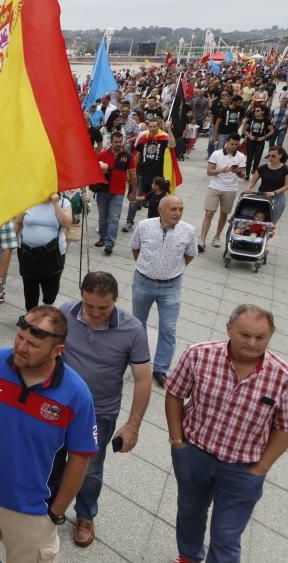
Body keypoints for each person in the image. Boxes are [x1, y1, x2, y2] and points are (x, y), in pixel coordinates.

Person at [0, 306, 97, 563]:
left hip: (34, 509)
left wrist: (57, 511)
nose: (21, 347)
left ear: (57, 351)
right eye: (20, 337)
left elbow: (80, 457)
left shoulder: (77, 395)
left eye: (33, 344)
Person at [165, 305, 288, 563]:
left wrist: (262, 467)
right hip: (194, 455)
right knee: (189, 513)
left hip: (243, 468)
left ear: (272, 334)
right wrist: (177, 442)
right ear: (229, 328)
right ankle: (188, 556)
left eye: (260, 337)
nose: (252, 343)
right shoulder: (199, 355)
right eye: (244, 335)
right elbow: (175, 393)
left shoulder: (282, 376)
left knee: (226, 536)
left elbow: (284, 427)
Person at [59, 272, 152, 547]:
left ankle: (85, 515)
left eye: (104, 307)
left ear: (116, 299)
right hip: (58, 407)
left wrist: (133, 425)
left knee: (90, 469)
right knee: (51, 460)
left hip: (99, 413)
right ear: (81, 295)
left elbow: (142, 378)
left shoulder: (133, 329)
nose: (96, 313)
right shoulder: (64, 313)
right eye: (90, 306)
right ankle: (51, 505)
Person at [130, 195, 198, 388]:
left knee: (168, 328)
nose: (178, 213)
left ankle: (160, 369)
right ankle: (138, 359)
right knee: (138, 324)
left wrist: (171, 270)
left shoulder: (188, 231)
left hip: (171, 286)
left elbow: (190, 254)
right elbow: (136, 248)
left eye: (181, 209)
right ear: (160, 210)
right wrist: (148, 269)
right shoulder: (144, 226)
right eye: (173, 209)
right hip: (143, 282)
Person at [14, 194, 72, 311]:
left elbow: (67, 223)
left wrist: (56, 204)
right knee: (30, 288)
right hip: (27, 253)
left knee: (50, 291)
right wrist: (9, 241)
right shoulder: (27, 200)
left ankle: (46, 312)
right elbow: (17, 222)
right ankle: (30, 316)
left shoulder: (63, 203)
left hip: (53, 254)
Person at [123, 116, 176, 232]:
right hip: (141, 174)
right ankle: (129, 222)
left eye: (155, 127)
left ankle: (153, 225)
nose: (152, 129)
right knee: (134, 198)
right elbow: (137, 155)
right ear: (147, 126)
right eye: (150, 126)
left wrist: (169, 129)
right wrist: (132, 172)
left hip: (157, 176)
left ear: (159, 126)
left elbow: (172, 145)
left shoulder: (164, 137)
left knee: (155, 201)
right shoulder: (142, 137)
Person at [199, 134, 246, 251]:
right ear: (226, 142)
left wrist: (237, 172)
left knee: (224, 214)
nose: (234, 146)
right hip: (214, 187)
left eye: (237, 144)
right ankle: (202, 240)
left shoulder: (241, 156)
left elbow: (243, 175)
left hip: (230, 189)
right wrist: (222, 170)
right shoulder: (216, 154)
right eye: (232, 144)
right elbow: (209, 172)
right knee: (209, 213)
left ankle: (217, 237)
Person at [95, 132, 136, 255]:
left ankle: (109, 243)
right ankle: (102, 237)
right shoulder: (102, 154)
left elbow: (133, 175)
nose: (118, 144)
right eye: (116, 142)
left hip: (118, 192)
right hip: (102, 191)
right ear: (111, 142)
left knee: (114, 218)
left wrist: (133, 191)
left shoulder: (128, 156)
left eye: (120, 142)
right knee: (102, 217)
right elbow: (95, 171)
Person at [245, 145, 288, 224]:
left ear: (280, 156)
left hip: (277, 198)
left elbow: (286, 186)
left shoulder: (285, 169)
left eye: (273, 156)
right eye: (269, 155)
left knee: (271, 222)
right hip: (262, 196)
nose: (270, 158)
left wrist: (274, 192)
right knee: (256, 219)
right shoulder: (262, 167)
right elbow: (253, 180)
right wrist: (249, 188)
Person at [243, 105, 274, 176]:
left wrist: (264, 137)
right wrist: (249, 136)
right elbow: (244, 130)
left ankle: (254, 169)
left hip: (260, 141)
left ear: (263, 112)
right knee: (249, 158)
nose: (255, 112)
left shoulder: (266, 120)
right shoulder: (251, 119)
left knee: (257, 158)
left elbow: (272, 131)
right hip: (251, 140)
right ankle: (247, 175)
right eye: (255, 110)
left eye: (258, 111)